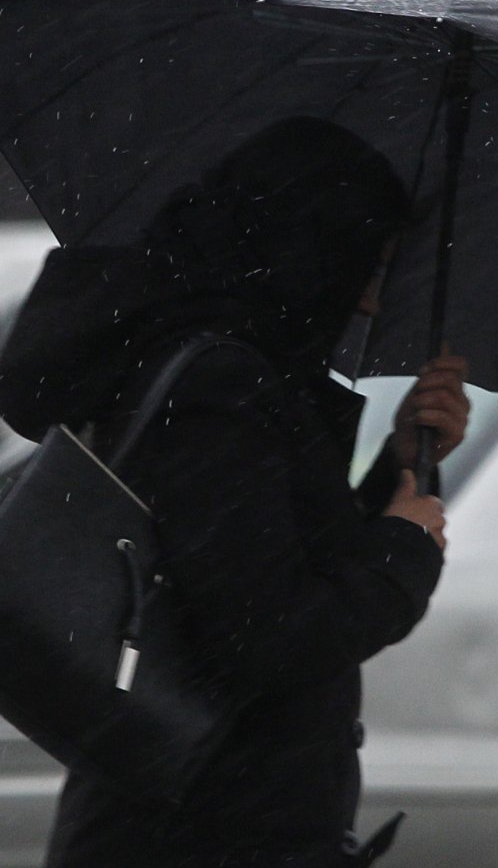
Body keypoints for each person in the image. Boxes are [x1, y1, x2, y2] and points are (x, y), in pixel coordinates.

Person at [0, 117, 470, 867]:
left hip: (198, 820)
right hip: (206, 832)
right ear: (312, 249)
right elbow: (271, 638)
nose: (370, 303)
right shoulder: (222, 392)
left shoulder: (239, 376)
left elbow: (271, 565)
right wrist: (402, 553)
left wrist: (401, 464)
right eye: (368, 267)